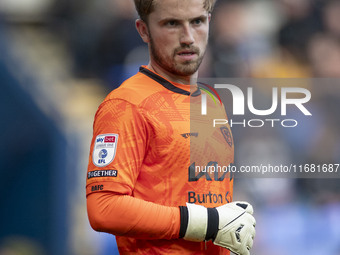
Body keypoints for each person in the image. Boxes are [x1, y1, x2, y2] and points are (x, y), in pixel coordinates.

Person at [86, 0, 256, 254]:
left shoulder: (211, 100)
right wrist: (203, 223)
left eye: (196, 21)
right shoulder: (125, 105)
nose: (188, 37)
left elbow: (202, 197)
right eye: (172, 24)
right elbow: (104, 208)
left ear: (209, 22)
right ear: (143, 30)